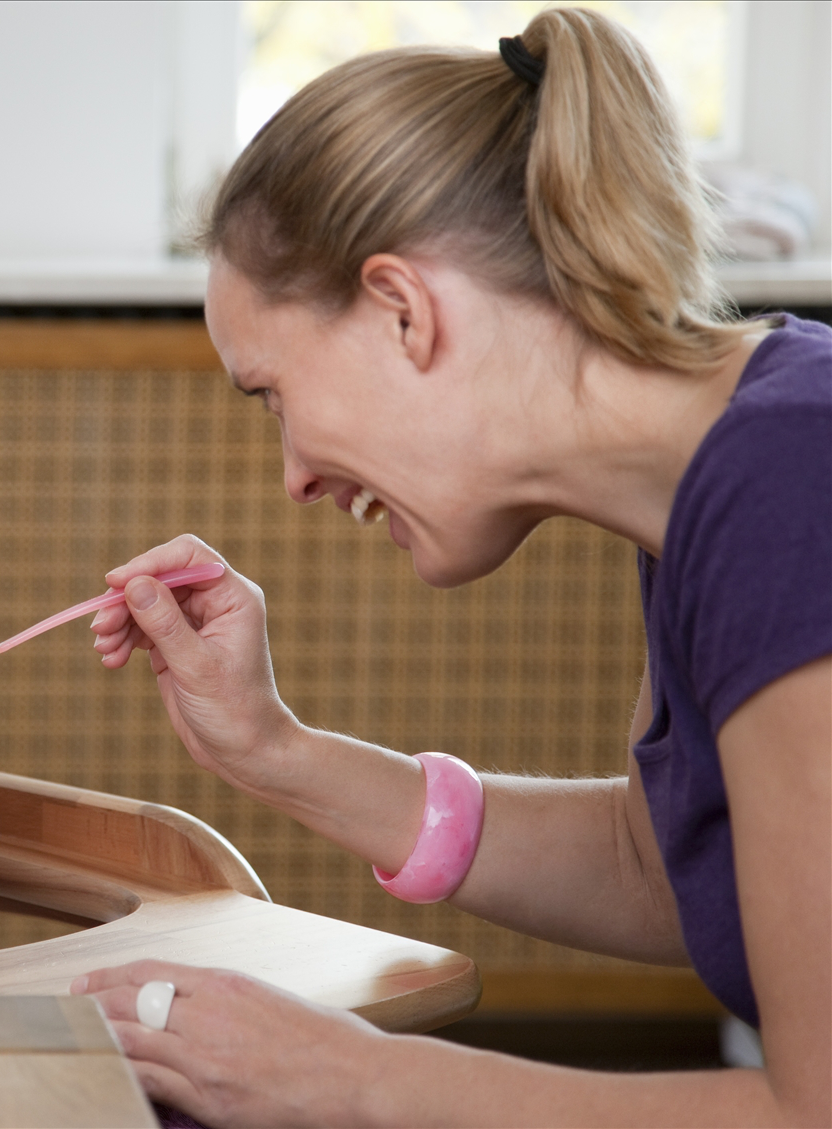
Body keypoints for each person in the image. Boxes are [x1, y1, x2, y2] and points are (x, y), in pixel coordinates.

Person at [72, 9, 830, 1126]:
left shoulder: (786, 483)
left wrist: (347, 1077)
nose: (291, 475)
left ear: (400, 311)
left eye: (275, 395)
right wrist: (274, 750)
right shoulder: (718, 469)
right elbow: (660, 863)